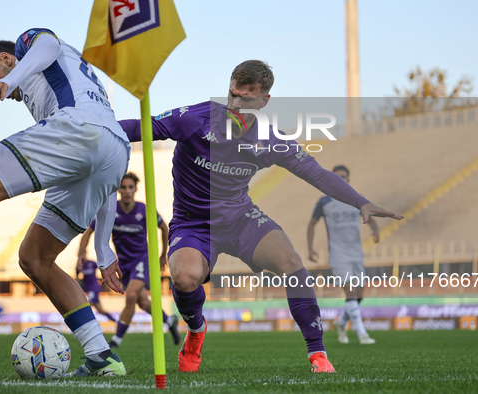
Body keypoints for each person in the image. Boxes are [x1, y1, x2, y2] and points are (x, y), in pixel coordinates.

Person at [117, 60, 403, 373]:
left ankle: (318, 355)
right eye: (231, 95)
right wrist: (93, 134)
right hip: (193, 222)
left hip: (240, 219)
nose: (235, 105)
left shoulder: (269, 138)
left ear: (264, 101)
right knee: (184, 279)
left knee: (292, 263)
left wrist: (360, 202)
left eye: (245, 99)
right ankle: (196, 331)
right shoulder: (196, 118)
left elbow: (317, 174)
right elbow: (139, 128)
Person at [0, 28, 131, 377]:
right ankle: (102, 355)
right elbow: (106, 175)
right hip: (114, 148)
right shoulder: (58, 90)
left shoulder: (28, 46)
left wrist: (11, 80)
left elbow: (48, 43)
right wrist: (104, 251)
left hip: (76, 129)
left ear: (7, 59)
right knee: (35, 258)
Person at [77, 172, 180, 347]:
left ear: (135, 189)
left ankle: (115, 340)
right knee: (142, 302)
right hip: (122, 264)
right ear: (118, 189)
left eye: (130, 187)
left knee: (131, 296)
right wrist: (81, 254)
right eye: (123, 187)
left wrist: (163, 255)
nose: (127, 191)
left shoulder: (144, 210)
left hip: (142, 261)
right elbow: (89, 230)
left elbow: (164, 227)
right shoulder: (110, 210)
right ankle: (169, 321)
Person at [307, 165, 380, 345]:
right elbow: (311, 225)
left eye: (344, 177)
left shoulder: (355, 199)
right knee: (351, 292)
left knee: (359, 295)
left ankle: (340, 323)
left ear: (348, 179)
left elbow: (370, 218)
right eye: (337, 177)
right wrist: (310, 249)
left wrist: (376, 230)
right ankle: (362, 334)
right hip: (338, 255)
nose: (341, 179)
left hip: (356, 253)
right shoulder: (324, 202)